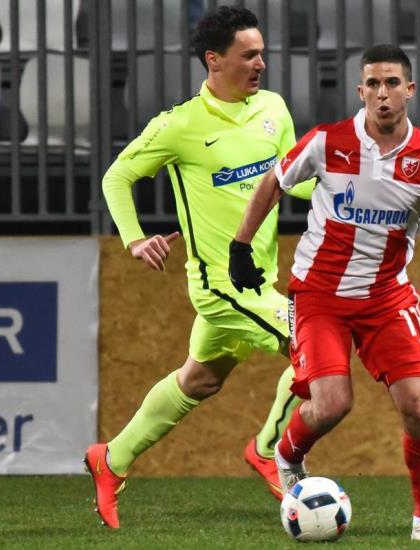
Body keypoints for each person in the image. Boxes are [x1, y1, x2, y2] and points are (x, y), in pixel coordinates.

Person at [229, 43, 420, 542]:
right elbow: (273, 182)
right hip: (319, 295)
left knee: (419, 407)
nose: (382, 93)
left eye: (392, 83)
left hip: (386, 297)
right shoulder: (326, 142)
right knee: (331, 404)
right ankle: (285, 454)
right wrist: (240, 246)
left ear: (410, 90)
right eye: (373, 83)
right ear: (360, 91)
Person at [84, 6, 314, 529]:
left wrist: (344, 187)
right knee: (315, 348)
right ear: (214, 60)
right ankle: (268, 449)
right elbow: (116, 177)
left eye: (261, 53)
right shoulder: (180, 125)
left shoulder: (273, 108)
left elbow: (292, 180)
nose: (261, 64)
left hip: (259, 280)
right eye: (248, 55)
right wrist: (134, 239)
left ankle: (110, 458)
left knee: (200, 380)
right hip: (219, 287)